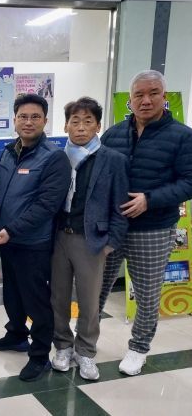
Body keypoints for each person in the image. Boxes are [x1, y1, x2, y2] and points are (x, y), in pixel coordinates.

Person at [99, 70, 192, 376]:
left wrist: (149, 200)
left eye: (153, 93)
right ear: (130, 99)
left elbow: (189, 181)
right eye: (139, 94)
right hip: (111, 227)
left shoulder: (182, 136)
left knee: (147, 294)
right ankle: (86, 340)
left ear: (164, 97)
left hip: (153, 228)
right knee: (95, 288)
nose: (146, 100)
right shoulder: (113, 134)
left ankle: (138, 348)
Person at [0, 93, 70, 382]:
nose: (28, 122)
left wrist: (12, 229)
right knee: (12, 293)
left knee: (36, 300)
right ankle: (16, 334)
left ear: (45, 121)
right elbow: (3, 191)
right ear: (14, 120)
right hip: (6, 240)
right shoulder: (8, 152)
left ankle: (39, 355)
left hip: (32, 242)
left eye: (35, 117)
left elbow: (47, 205)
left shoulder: (54, 158)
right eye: (23, 116)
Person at [50, 97, 129, 381]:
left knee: (89, 300)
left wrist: (111, 242)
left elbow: (121, 205)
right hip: (58, 236)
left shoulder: (113, 160)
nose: (81, 127)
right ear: (66, 126)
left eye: (88, 121)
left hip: (91, 240)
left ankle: (85, 351)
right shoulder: (56, 157)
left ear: (98, 125)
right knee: (58, 297)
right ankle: (62, 345)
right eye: (75, 121)